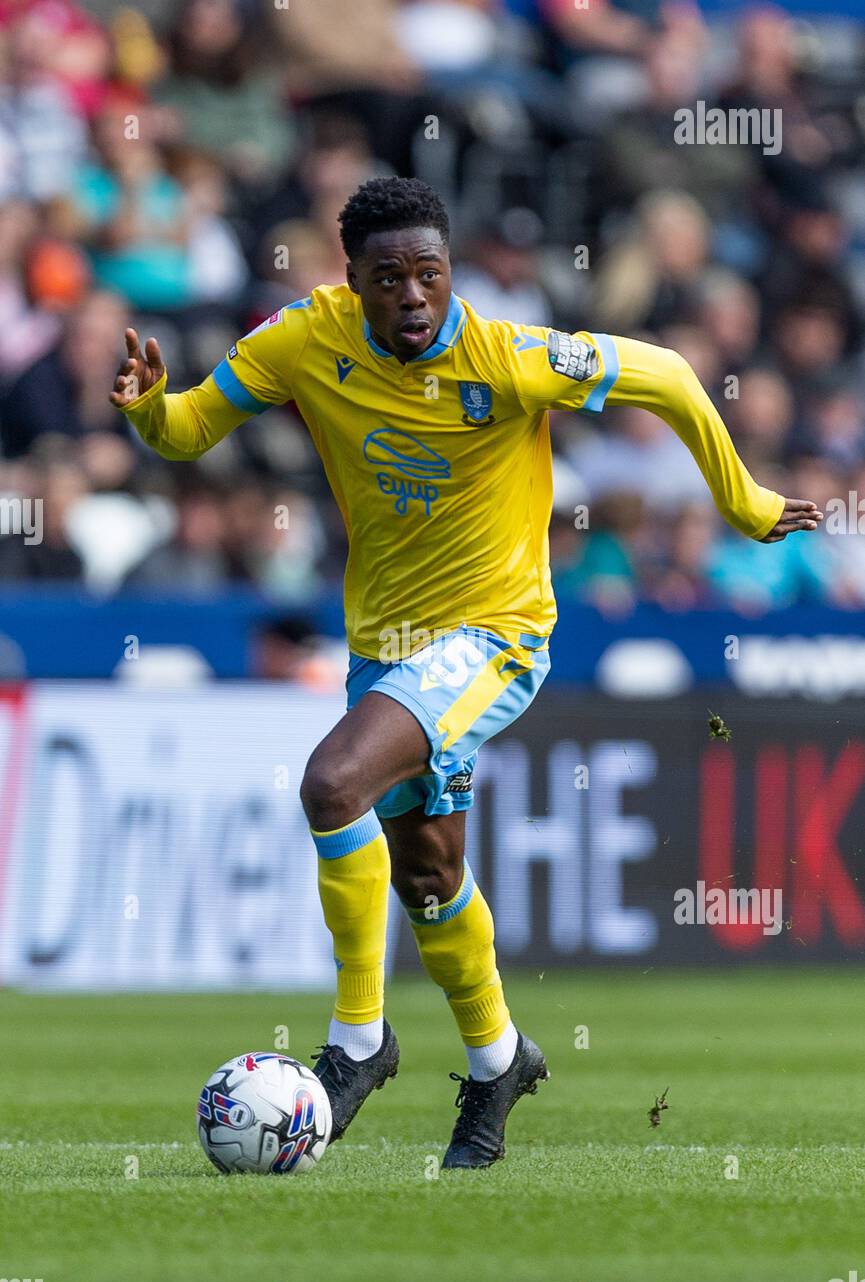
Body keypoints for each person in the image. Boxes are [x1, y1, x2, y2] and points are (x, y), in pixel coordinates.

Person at [110, 176, 822, 1168]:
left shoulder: (509, 355)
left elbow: (662, 372)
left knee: (330, 782)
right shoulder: (303, 340)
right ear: (351, 281)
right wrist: (148, 413)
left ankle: (358, 1041)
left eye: (429, 275)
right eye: (388, 278)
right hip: (386, 644)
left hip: (496, 636)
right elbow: (189, 428)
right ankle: (498, 1058)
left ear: (451, 276)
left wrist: (743, 503)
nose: (412, 296)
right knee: (429, 872)